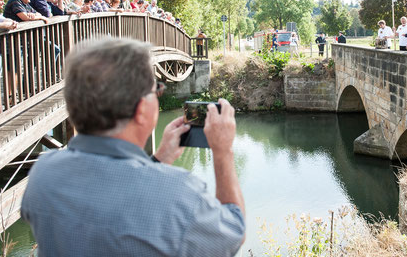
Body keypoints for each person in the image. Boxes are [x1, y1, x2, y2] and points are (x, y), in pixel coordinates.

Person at [21, 38, 246, 256]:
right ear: (140, 110)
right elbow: (233, 232)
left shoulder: (43, 173)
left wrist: (158, 160)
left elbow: (112, 197)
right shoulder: (179, 193)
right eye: (156, 90)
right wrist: (223, 152)